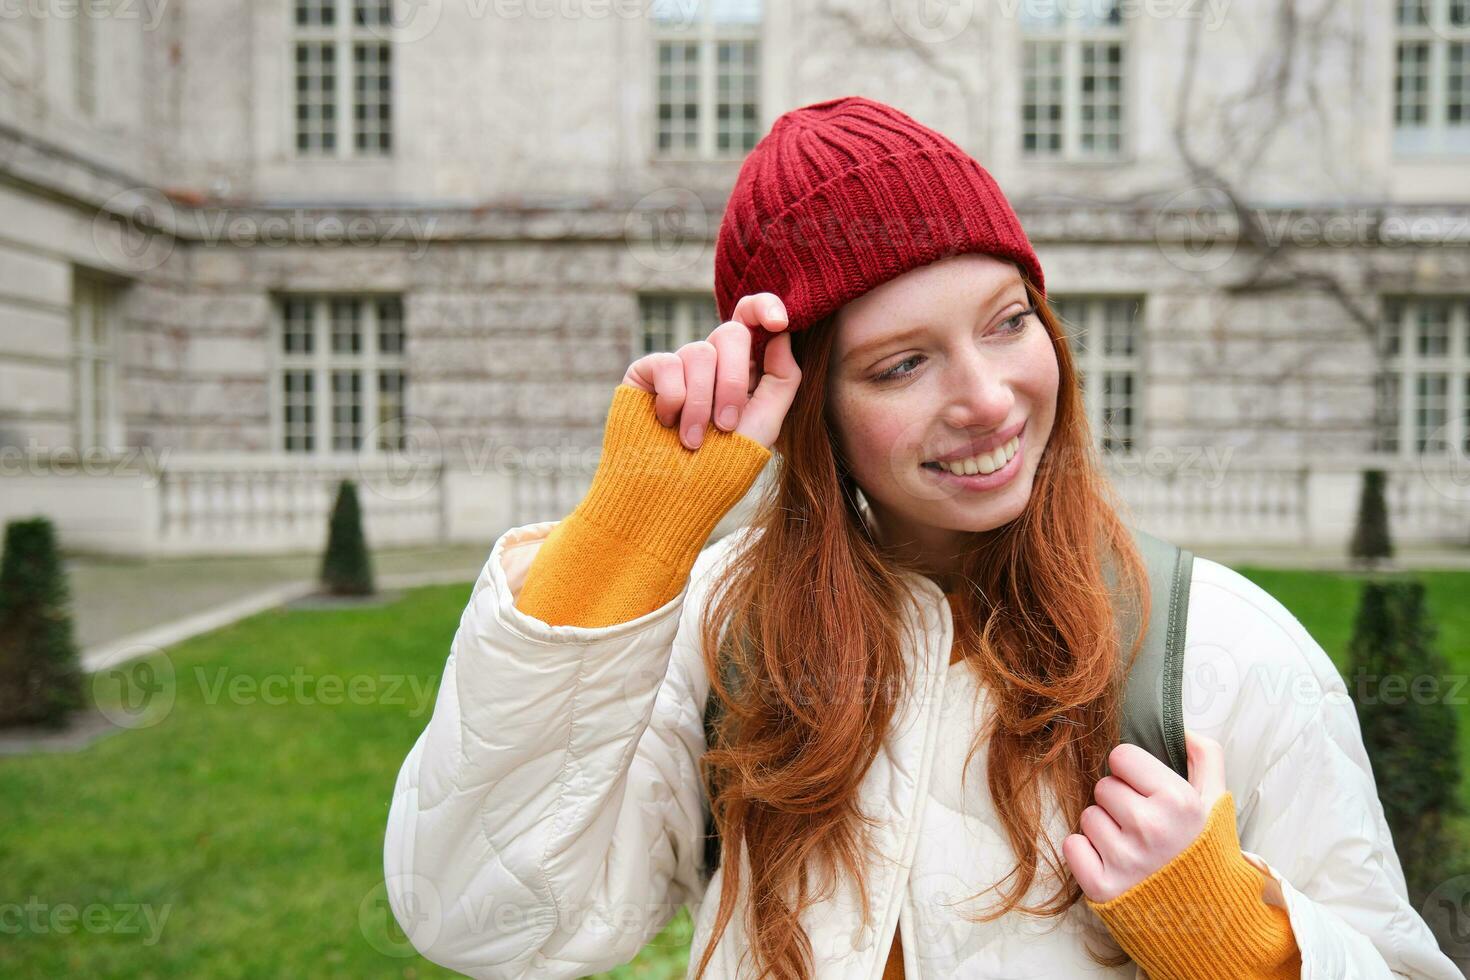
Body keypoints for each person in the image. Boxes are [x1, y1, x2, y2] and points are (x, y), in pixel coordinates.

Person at [383, 96, 1460, 979]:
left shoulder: (1224, 649)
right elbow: (489, 919)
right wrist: (624, 541)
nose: (989, 398)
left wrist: (1247, 946)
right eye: (904, 364)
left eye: (1008, 320)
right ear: (813, 414)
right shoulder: (726, 634)